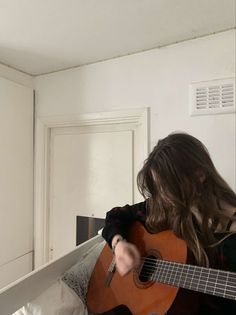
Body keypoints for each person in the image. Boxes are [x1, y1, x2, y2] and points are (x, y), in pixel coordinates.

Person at [102, 132, 236, 315]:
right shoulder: (168, 205)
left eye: (168, 187)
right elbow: (116, 215)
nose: (163, 197)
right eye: (159, 188)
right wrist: (119, 244)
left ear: (200, 175)